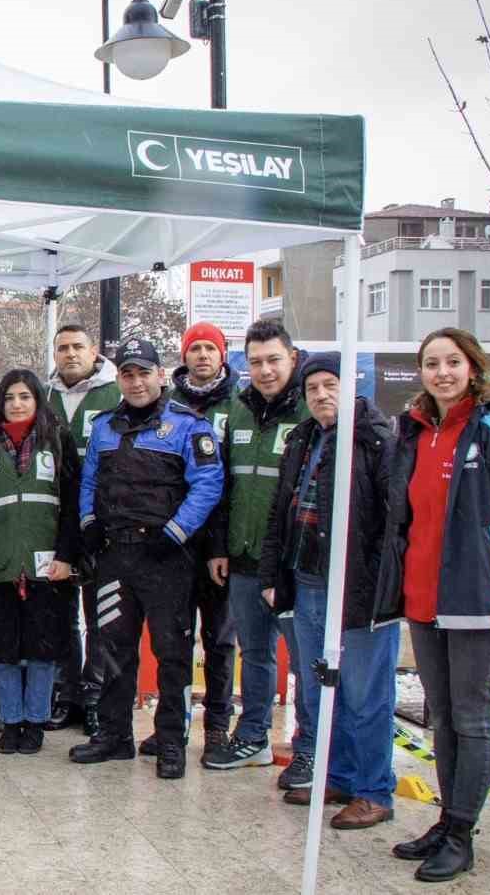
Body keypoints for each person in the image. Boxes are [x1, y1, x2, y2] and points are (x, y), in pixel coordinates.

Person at [375, 328, 490, 883]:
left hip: (479, 603)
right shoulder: (417, 433)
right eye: (431, 364)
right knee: (442, 716)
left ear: (473, 368)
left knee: (471, 720)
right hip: (426, 600)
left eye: (452, 362)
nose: (442, 373)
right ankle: (446, 820)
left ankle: (461, 835)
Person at [71, 338, 222, 780]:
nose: (136, 382)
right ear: (119, 378)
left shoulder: (188, 425)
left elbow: (208, 484)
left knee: (172, 652)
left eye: (143, 373)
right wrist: (88, 522)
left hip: (166, 557)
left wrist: (175, 532)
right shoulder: (104, 426)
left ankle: (171, 741)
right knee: (112, 647)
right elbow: (88, 481)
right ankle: (114, 735)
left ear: (160, 375)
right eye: (127, 374)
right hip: (114, 555)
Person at [259, 351, 397, 828]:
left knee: (364, 694)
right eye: (313, 388)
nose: (321, 395)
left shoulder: (376, 440)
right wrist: (273, 577)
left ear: (350, 386)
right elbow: (281, 511)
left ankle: (374, 790)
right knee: (321, 686)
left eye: (330, 386)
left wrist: (376, 582)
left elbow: (393, 521)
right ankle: (336, 774)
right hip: (307, 581)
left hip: (358, 590)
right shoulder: (302, 438)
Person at [204, 320, 315, 785]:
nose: (265, 370)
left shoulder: (311, 408)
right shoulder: (239, 408)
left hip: (293, 561)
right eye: (256, 362)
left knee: (306, 659)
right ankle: (253, 736)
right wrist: (220, 546)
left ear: (292, 358)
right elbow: (224, 483)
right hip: (244, 555)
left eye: (274, 360)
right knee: (254, 651)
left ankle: (310, 747)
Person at [0, 369, 82, 755]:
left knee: (42, 651)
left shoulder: (58, 440)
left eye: (25, 397)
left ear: (37, 401)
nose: (17, 404)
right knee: (3, 651)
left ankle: (35, 722)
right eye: (10, 397)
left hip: (46, 566)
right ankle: (11, 721)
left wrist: (66, 556)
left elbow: (72, 504)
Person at [153, 321, 238, 759]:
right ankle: (173, 724)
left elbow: (227, 482)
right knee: (174, 638)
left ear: (222, 355)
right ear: (183, 356)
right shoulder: (167, 404)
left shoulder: (239, 404)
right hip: (176, 540)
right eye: (195, 348)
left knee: (219, 640)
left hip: (220, 543)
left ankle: (218, 725)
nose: (202, 355)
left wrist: (221, 543)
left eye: (210, 348)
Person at [45, 323, 121, 736]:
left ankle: (94, 695)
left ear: (94, 352)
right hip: (55, 523)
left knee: (99, 616)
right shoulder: (44, 395)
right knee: (60, 615)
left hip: (99, 522)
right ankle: (66, 692)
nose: (71, 354)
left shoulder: (116, 392)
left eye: (78, 347)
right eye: (63, 348)